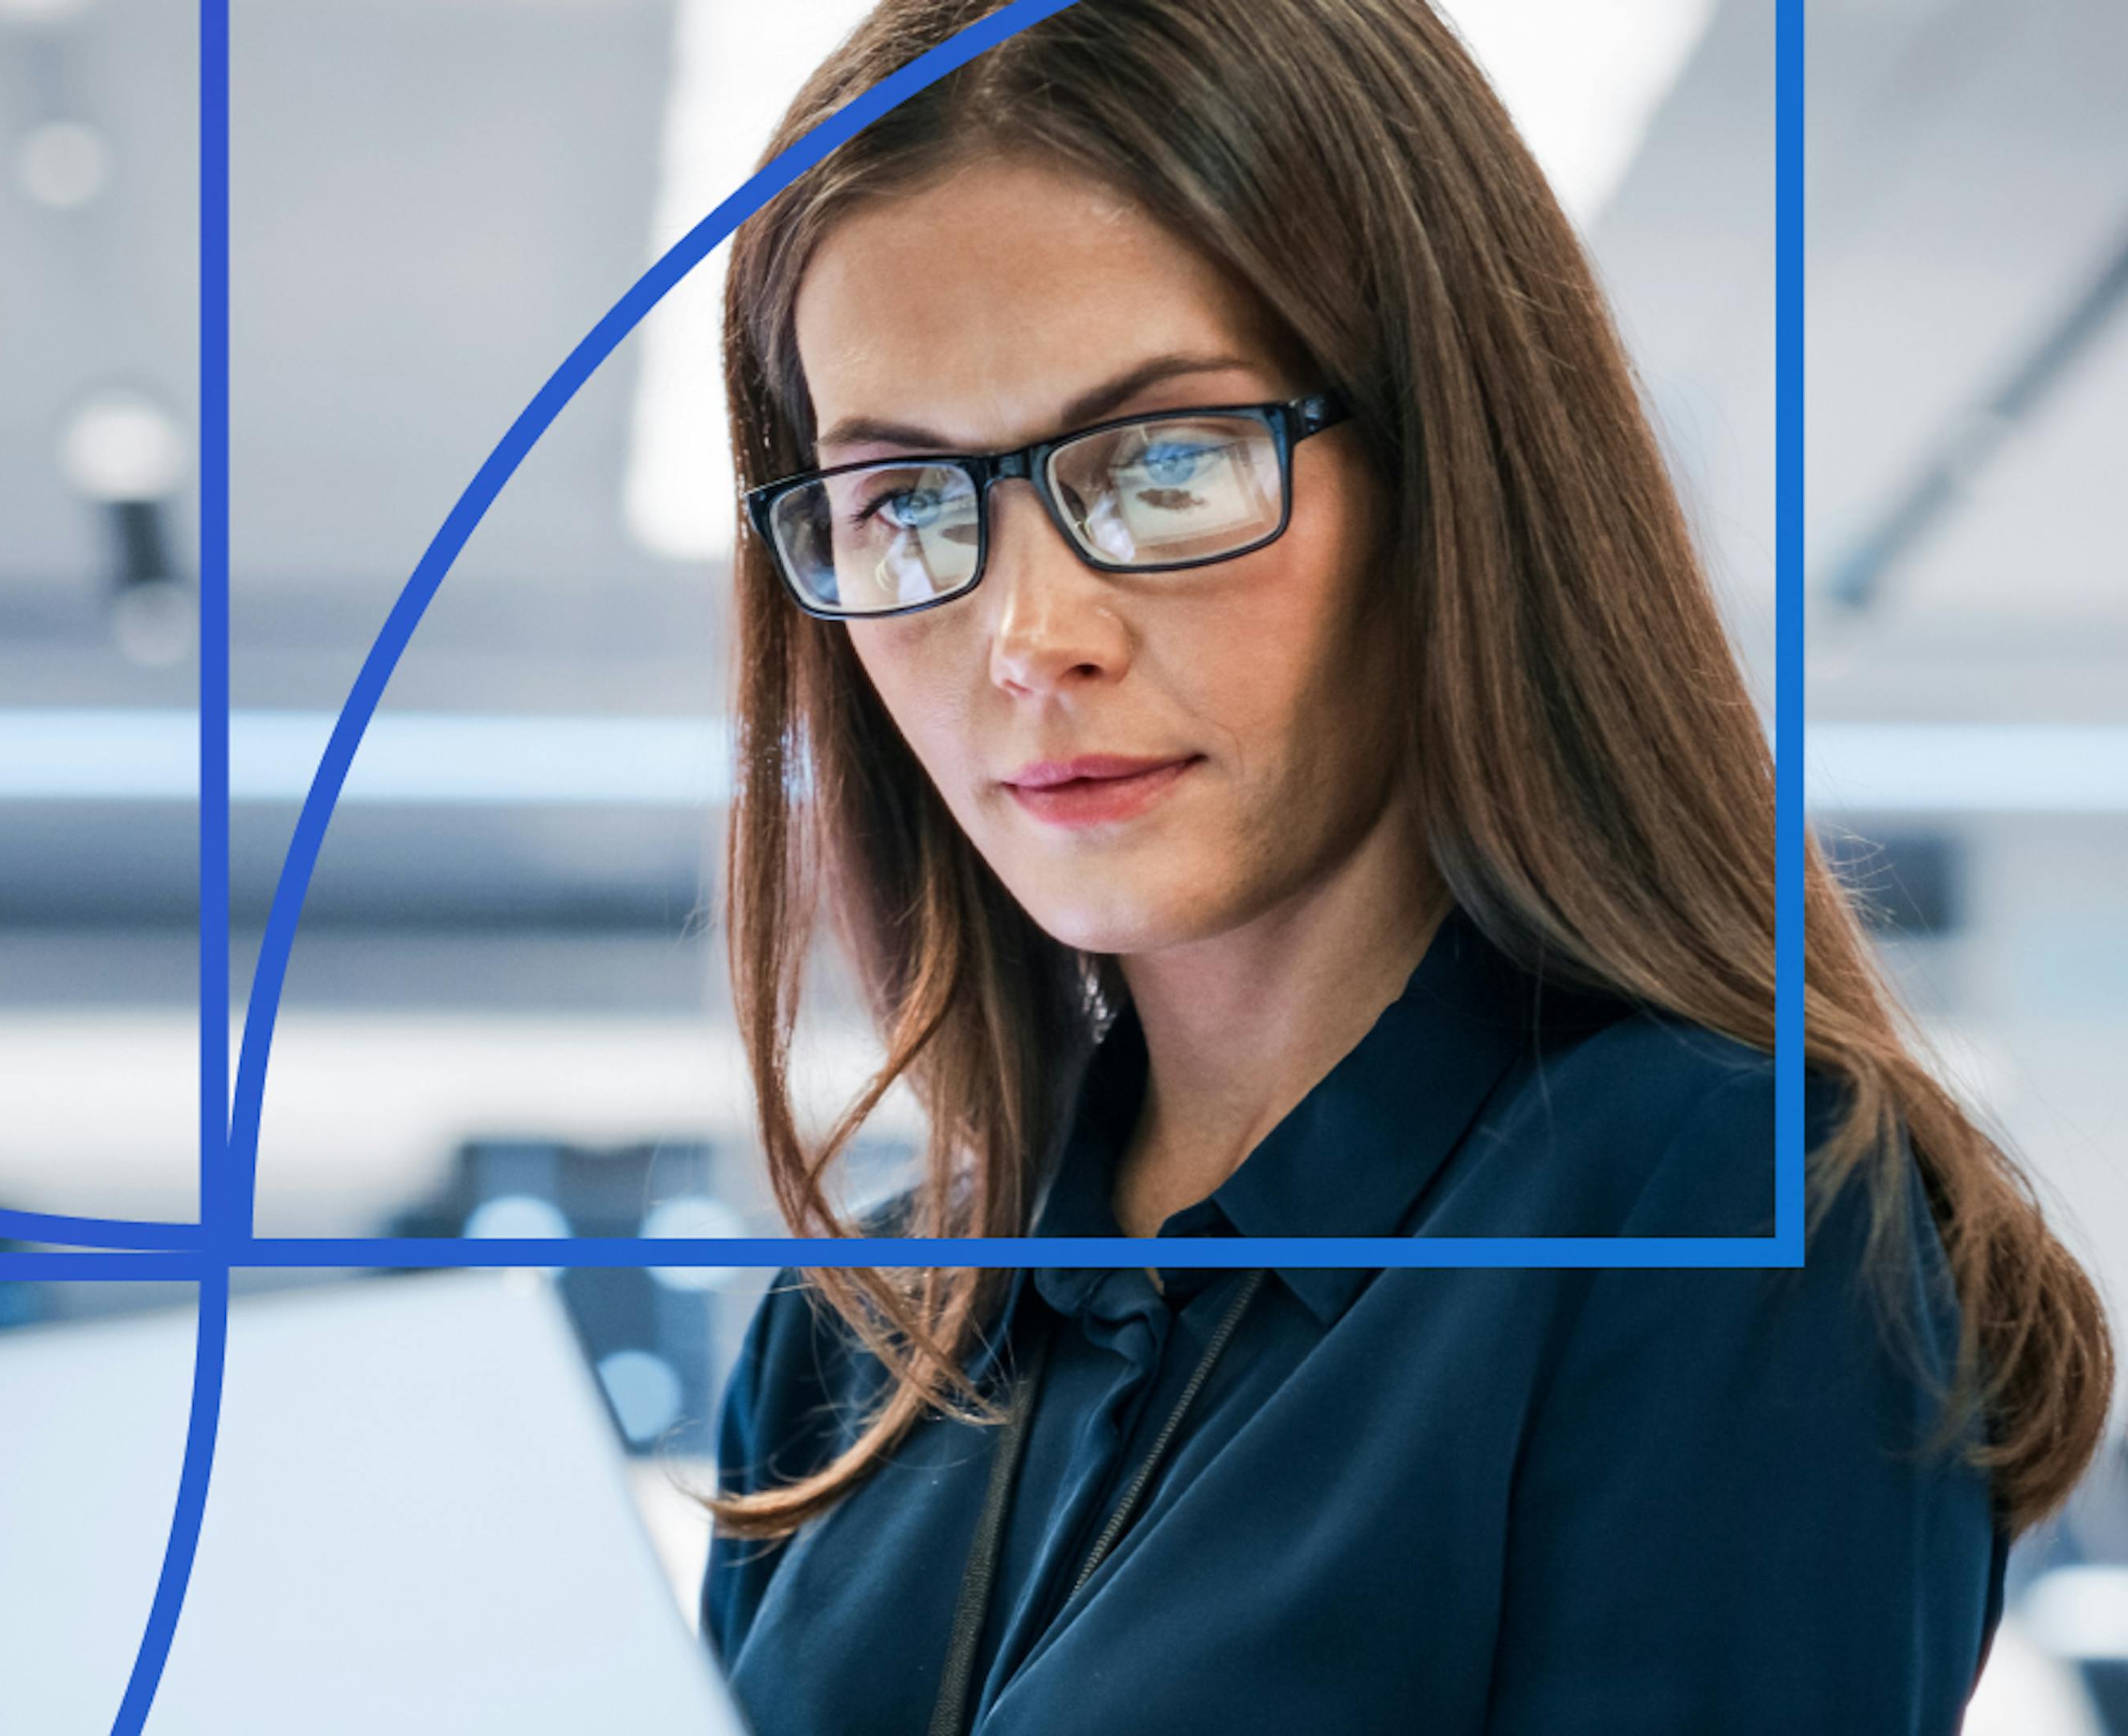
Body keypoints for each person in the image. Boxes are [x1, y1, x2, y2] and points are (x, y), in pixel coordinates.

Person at [695, 2, 2114, 1731]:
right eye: (904, 499)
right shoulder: (858, 1340)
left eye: (1166, 459)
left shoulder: (1730, 1216)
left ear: (1451, 476)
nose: (1026, 634)